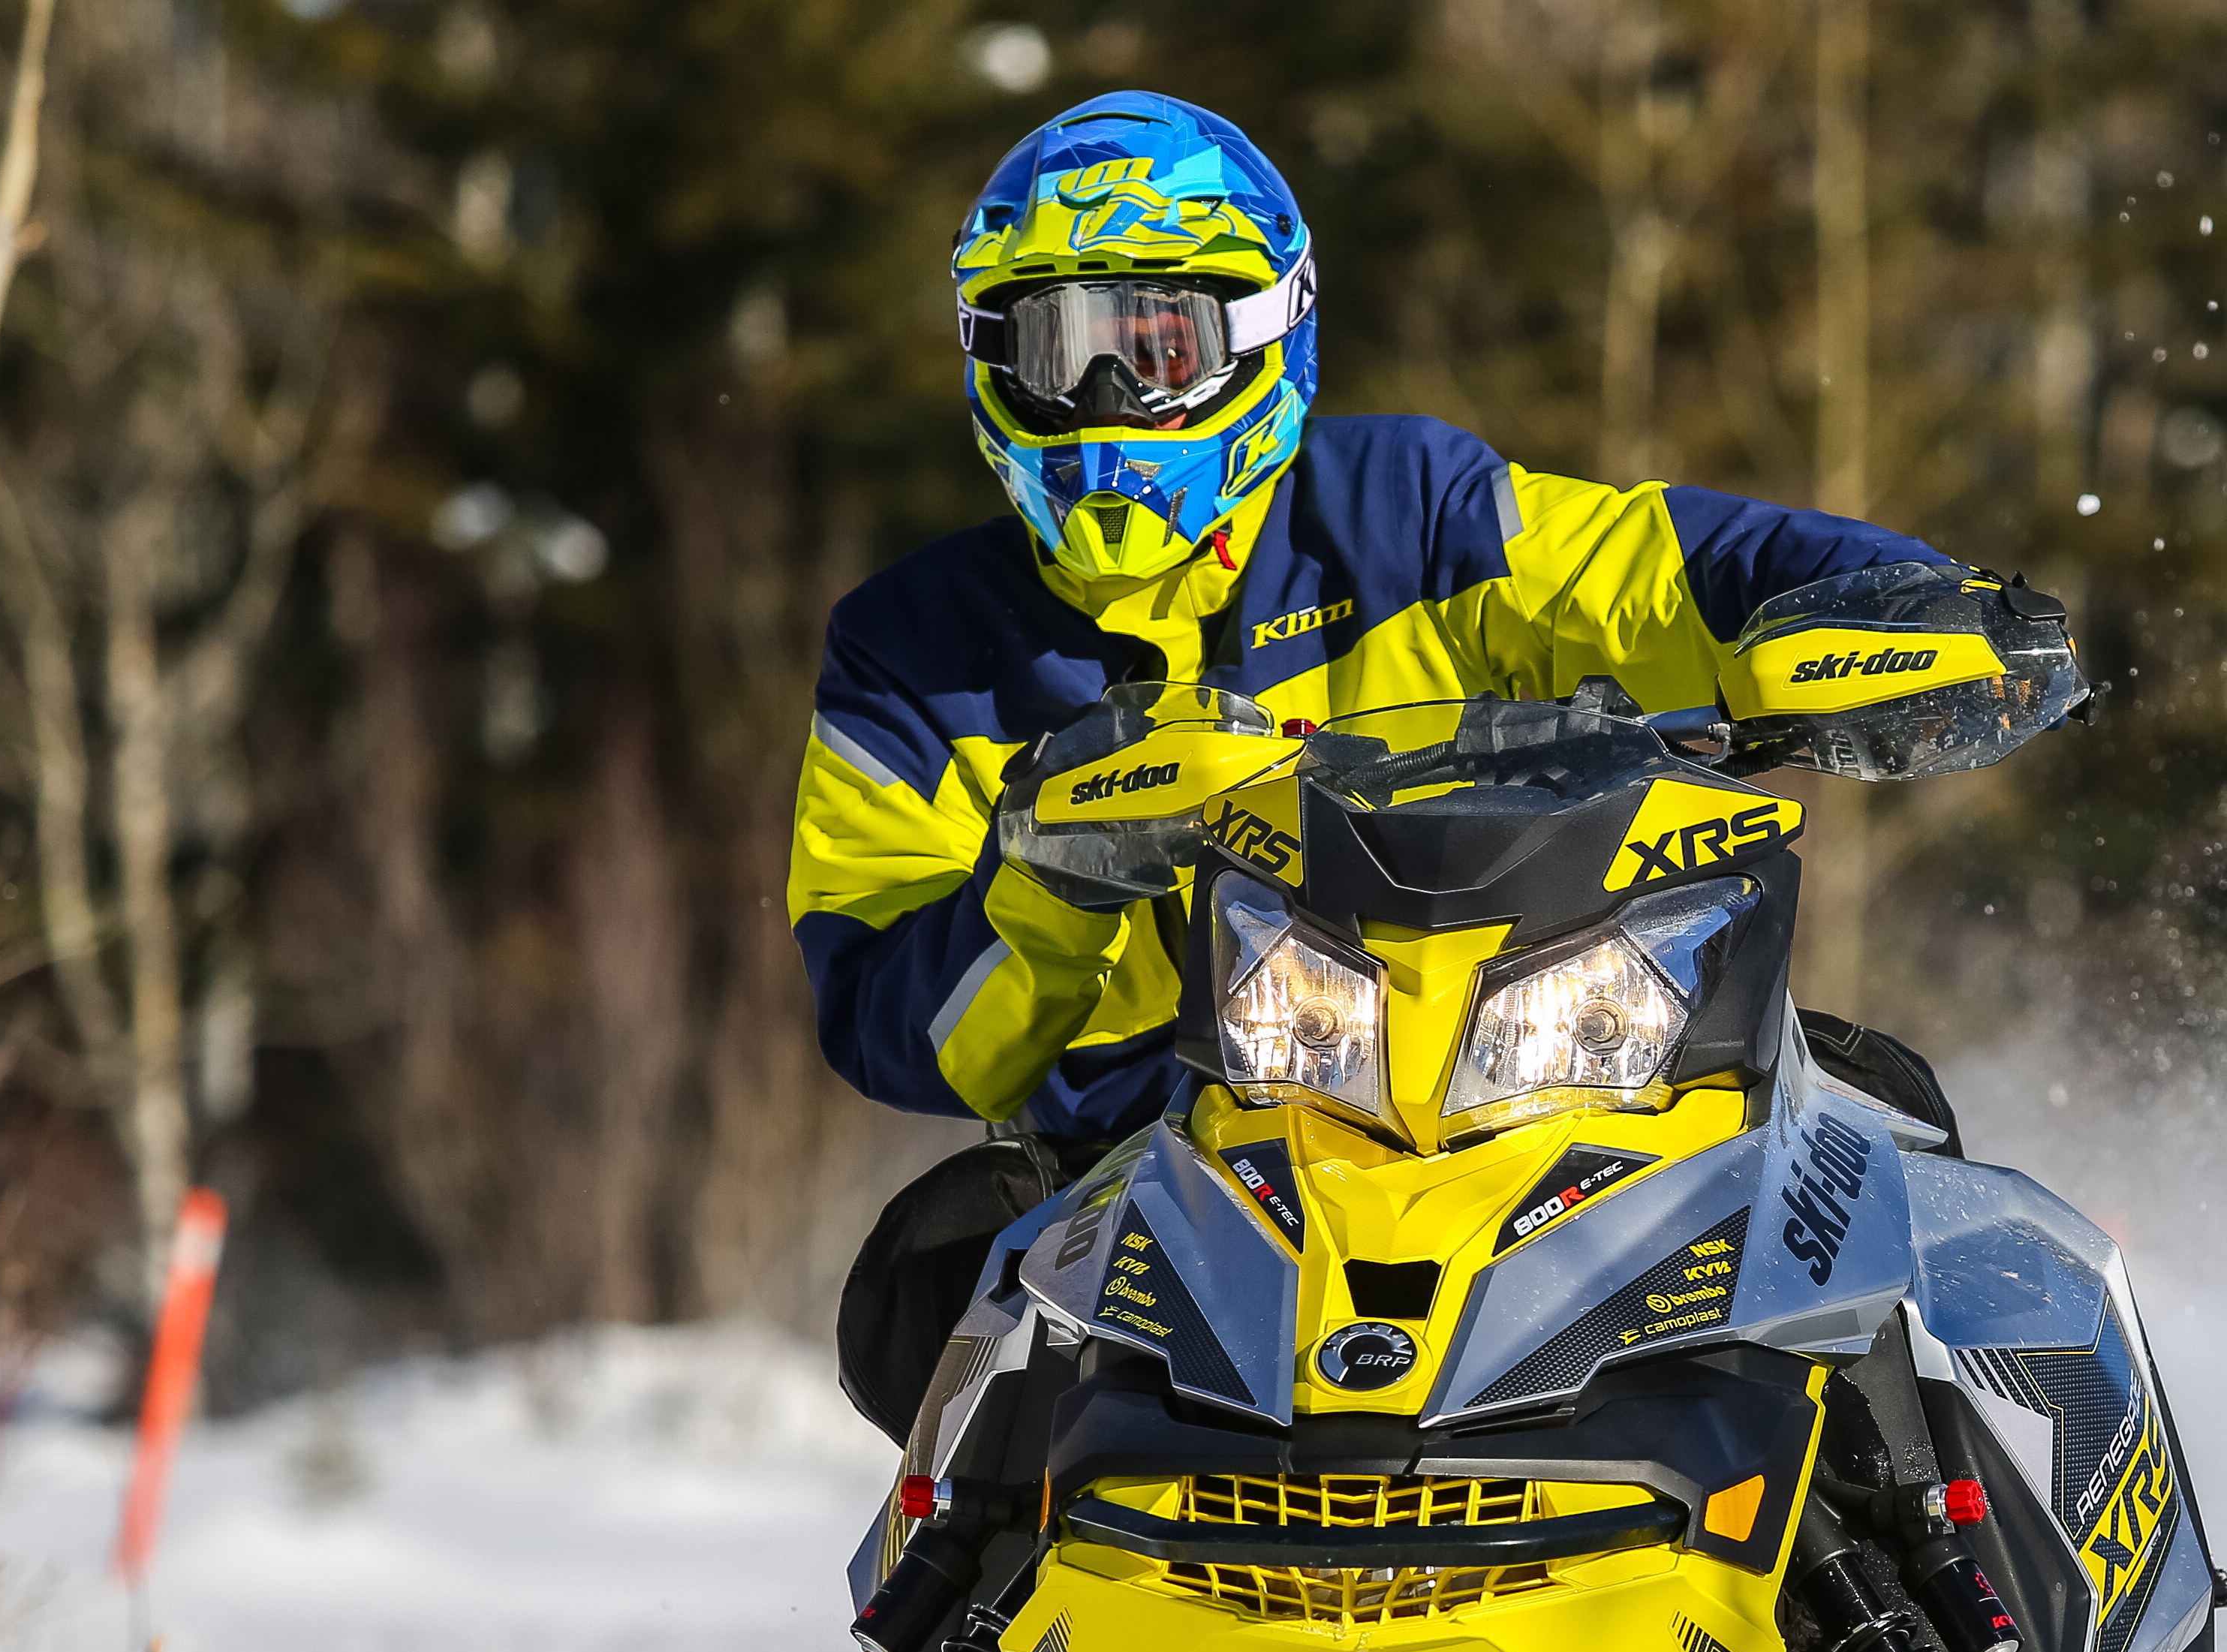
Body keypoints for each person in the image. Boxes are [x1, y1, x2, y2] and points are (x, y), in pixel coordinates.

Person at [789, 92, 1963, 1432]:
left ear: (1265, 329)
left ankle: (1995, 1590)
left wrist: (1905, 600)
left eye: (1158, 346)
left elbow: (1654, 568)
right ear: (987, 356)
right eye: (1056, 349)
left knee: (1885, 1145)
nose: (1106, 398)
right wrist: (1052, 883)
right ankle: (959, 1640)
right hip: (1154, 1160)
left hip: (1546, 1095)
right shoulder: (908, 649)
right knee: (929, 1285)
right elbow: (885, 1017)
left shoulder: (1408, 513)